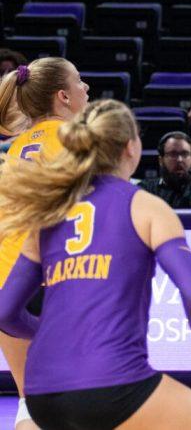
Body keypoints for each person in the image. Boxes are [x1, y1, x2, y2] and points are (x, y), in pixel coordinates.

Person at [0, 100, 191, 430]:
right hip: (112, 386)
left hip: (42, 392)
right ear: (131, 147)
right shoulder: (146, 207)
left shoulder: (48, 213)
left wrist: (50, 333)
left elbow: (4, 312)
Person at [0, 57, 90, 426]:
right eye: (80, 81)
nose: (87, 88)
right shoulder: (78, 140)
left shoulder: (15, 148)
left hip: (7, 280)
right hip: (49, 279)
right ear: (63, 97)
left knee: (31, 404)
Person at [137, 132, 191, 209]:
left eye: (185, 154)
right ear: (161, 160)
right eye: (173, 154)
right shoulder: (145, 189)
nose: (179, 160)